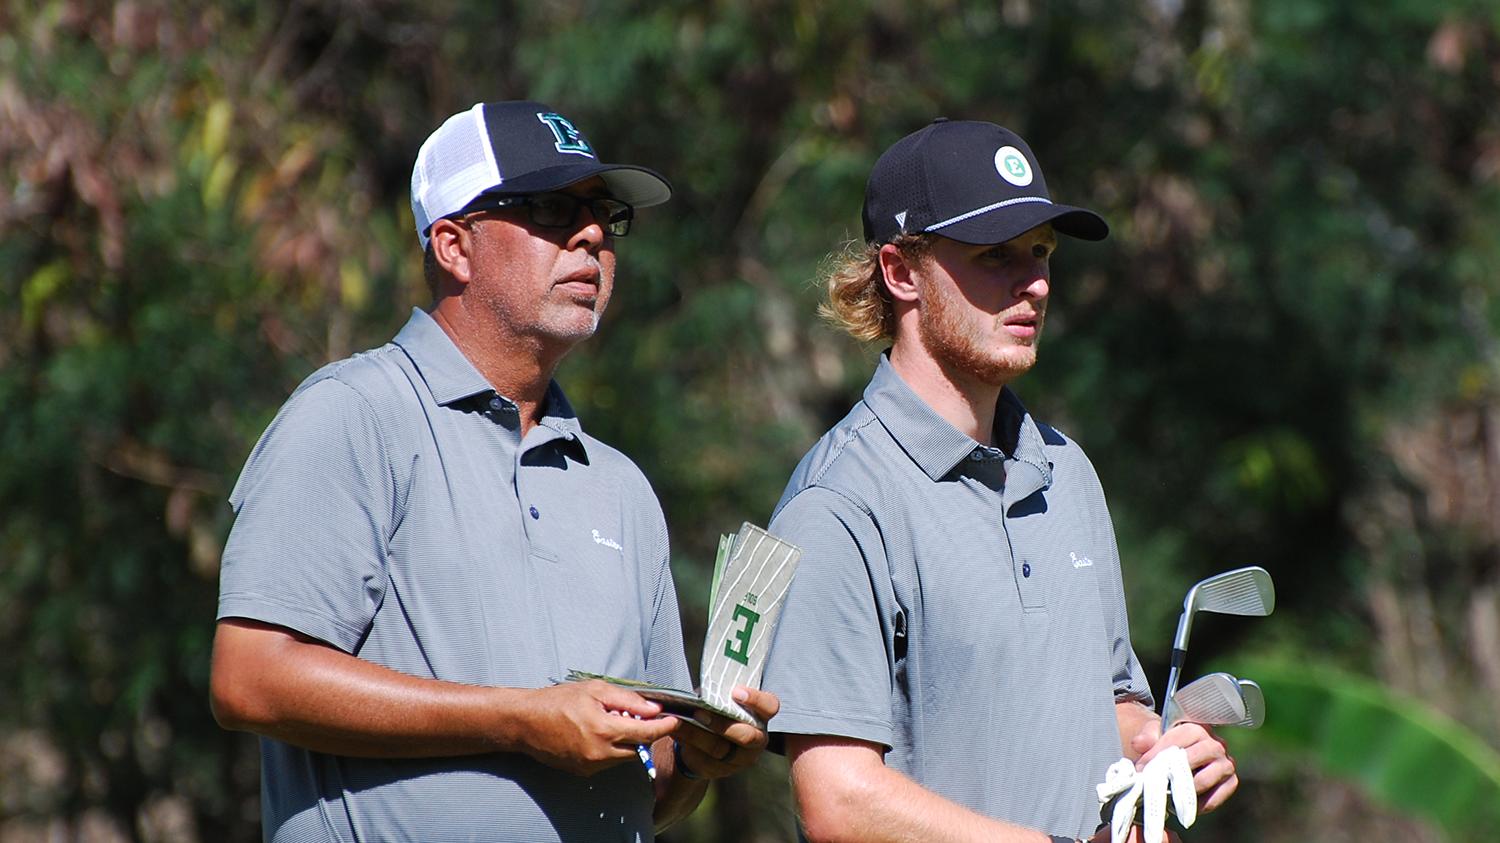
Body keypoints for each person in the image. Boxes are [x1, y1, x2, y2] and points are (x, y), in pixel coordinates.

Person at [209, 100, 777, 843]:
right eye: (551, 209)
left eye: (603, 213)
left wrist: (697, 758)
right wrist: (518, 720)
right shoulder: (354, 414)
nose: (592, 234)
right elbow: (249, 678)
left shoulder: (621, 488)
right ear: (454, 247)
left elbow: (651, 791)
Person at [758, 118, 1237, 843]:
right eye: (995, 254)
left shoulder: (1066, 470)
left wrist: (1161, 749)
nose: (1035, 283)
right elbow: (839, 800)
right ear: (900, 271)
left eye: (1040, 252)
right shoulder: (840, 503)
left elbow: (1107, 705)